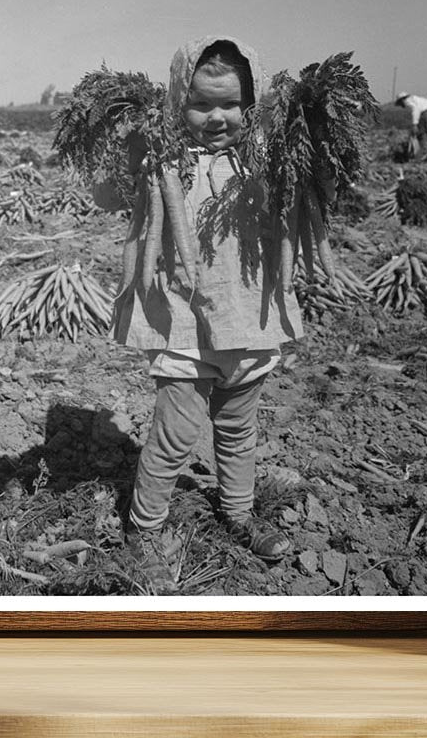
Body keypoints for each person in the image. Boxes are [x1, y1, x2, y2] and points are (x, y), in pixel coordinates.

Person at [92, 36, 306, 594]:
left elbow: (316, 197)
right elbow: (105, 197)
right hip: (182, 320)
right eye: (201, 104)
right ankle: (144, 530)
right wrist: (122, 149)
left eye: (231, 104)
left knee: (238, 428)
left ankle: (238, 513)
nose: (217, 117)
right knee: (177, 432)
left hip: (247, 315)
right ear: (176, 102)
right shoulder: (162, 157)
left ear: (251, 104)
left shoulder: (266, 157)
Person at [394, 91, 427, 162]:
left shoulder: (408, 101)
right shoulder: (419, 99)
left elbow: (415, 109)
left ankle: (421, 157)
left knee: (421, 135)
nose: (402, 106)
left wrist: (414, 124)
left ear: (401, 100)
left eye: (400, 104)